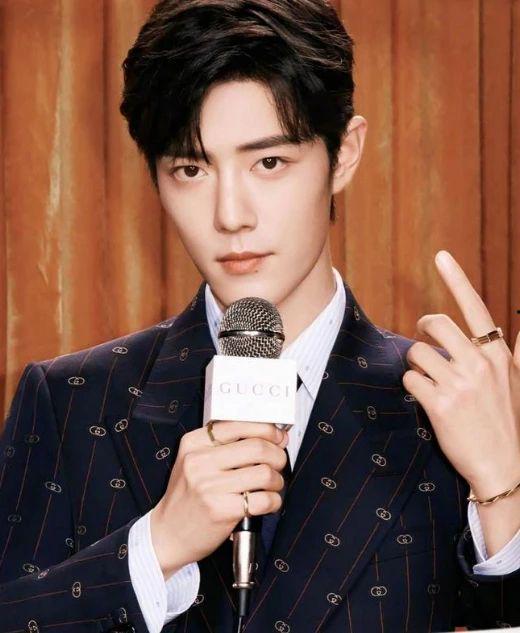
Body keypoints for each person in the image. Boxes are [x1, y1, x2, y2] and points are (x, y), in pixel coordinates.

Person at [0, 1, 519, 632]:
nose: (230, 215)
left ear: (344, 154)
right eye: (191, 169)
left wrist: (505, 488)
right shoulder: (70, 403)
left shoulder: (447, 408)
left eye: (268, 163)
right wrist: (154, 549)